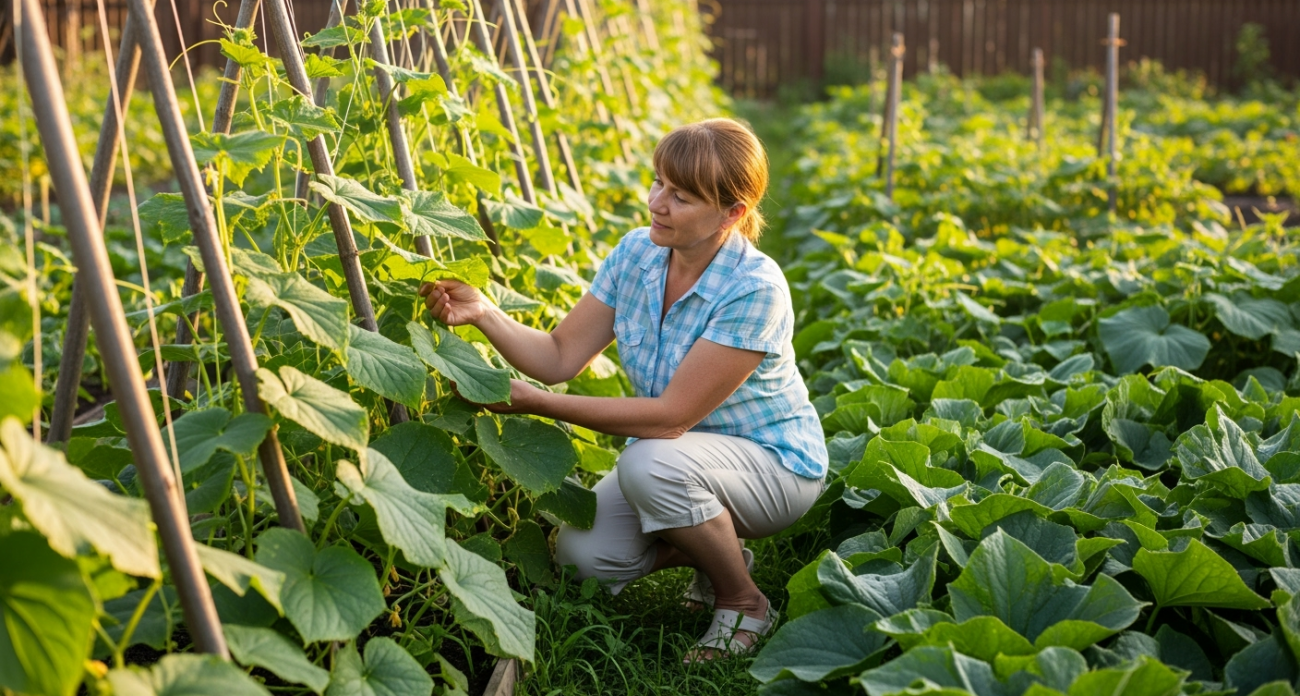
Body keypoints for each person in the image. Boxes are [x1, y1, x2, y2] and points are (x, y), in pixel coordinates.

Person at [418, 118, 828, 662]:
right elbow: (560, 356)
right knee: (580, 558)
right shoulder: (638, 254)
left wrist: (536, 404)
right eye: (658, 182)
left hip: (772, 468)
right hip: (677, 463)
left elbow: (669, 418)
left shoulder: (754, 289)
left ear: (732, 213)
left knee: (649, 466)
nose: (657, 202)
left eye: (681, 196)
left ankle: (742, 601)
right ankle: (716, 551)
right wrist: (485, 313)